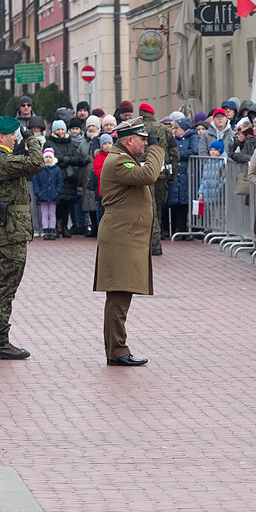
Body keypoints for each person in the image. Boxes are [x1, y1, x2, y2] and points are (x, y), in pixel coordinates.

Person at [94, 117, 165, 367]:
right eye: (143, 140)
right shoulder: (119, 160)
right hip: (120, 238)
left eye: (149, 141)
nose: (146, 143)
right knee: (118, 297)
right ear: (130, 140)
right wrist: (158, 149)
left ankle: (117, 349)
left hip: (124, 236)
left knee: (120, 297)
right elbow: (149, 174)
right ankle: (117, 350)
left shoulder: (122, 158)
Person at [0, 116, 44, 359]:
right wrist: (31, 138)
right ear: (1, 137)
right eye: (13, 135)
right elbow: (37, 163)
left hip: (1, 229)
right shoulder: (0, 160)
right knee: (5, 287)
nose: (16, 138)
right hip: (10, 232)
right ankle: (0, 342)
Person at [137, 103, 178, 255]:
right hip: (161, 175)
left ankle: (148, 243)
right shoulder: (164, 130)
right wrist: (172, 177)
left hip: (141, 175)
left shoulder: (136, 129)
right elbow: (175, 154)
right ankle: (156, 244)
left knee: (147, 209)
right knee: (157, 210)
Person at [47, 120, 86, 238]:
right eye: (58, 129)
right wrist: (64, 160)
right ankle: (55, 226)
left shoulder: (70, 143)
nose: (60, 132)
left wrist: (65, 160)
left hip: (69, 178)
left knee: (66, 204)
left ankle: (63, 226)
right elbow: (49, 157)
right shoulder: (50, 143)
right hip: (55, 177)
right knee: (56, 204)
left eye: (62, 129)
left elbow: (77, 158)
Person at [32, 148, 63, 240]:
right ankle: (45, 230)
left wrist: (58, 191)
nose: (48, 159)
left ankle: (52, 230)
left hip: (53, 195)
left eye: (50, 157)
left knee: (52, 213)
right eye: (46, 157)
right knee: (44, 213)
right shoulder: (39, 170)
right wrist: (37, 192)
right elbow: (35, 182)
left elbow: (60, 181)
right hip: (42, 195)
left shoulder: (57, 170)